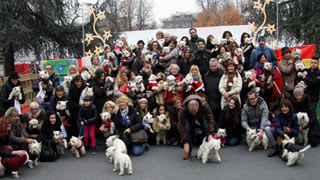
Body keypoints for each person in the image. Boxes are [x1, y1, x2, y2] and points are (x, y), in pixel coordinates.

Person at [178, 95, 215, 160]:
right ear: (188, 108)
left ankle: (205, 150)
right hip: (188, 116)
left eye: (195, 112)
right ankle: (188, 151)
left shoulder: (204, 105)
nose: (194, 114)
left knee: (206, 126)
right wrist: (185, 142)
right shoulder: (183, 109)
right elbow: (181, 125)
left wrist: (210, 133)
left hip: (201, 115)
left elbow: (210, 118)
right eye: (192, 112)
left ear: (199, 107)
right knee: (187, 128)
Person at [302, 56, 320, 147]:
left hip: (313, 99)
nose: (313, 64)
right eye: (312, 62)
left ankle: (313, 134)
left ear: (318, 64)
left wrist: (305, 78)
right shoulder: (307, 71)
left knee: (312, 117)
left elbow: (313, 83)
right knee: (304, 116)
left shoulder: (318, 73)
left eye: (315, 63)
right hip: (304, 98)